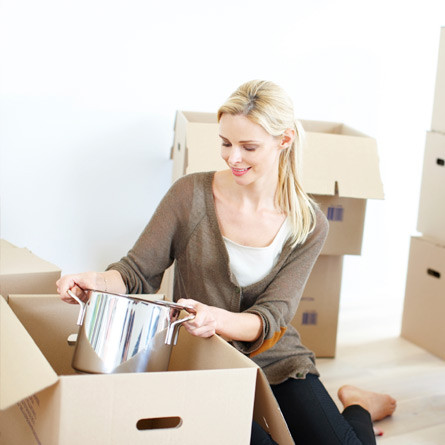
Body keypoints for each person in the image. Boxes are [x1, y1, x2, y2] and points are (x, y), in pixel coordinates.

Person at [57, 80, 396, 444]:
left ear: (284, 140)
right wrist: (97, 280)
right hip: (200, 358)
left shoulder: (309, 223)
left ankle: (358, 404)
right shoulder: (189, 195)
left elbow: (272, 317)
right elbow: (136, 273)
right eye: (225, 143)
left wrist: (215, 318)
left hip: (276, 360)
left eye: (248, 146)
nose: (233, 157)